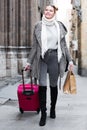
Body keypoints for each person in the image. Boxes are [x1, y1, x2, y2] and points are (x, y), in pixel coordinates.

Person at [25, 4, 73, 126]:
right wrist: (29, 62)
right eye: (46, 10)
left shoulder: (59, 27)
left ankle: (52, 108)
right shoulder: (38, 26)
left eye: (50, 10)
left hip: (54, 57)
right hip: (42, 57)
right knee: (42, 84)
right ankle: (43, 113)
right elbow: (35, 46)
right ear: (43, 12)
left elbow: (64, 46)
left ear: (54, 13)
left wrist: (70, 60)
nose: (47, 12)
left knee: (53, 85)